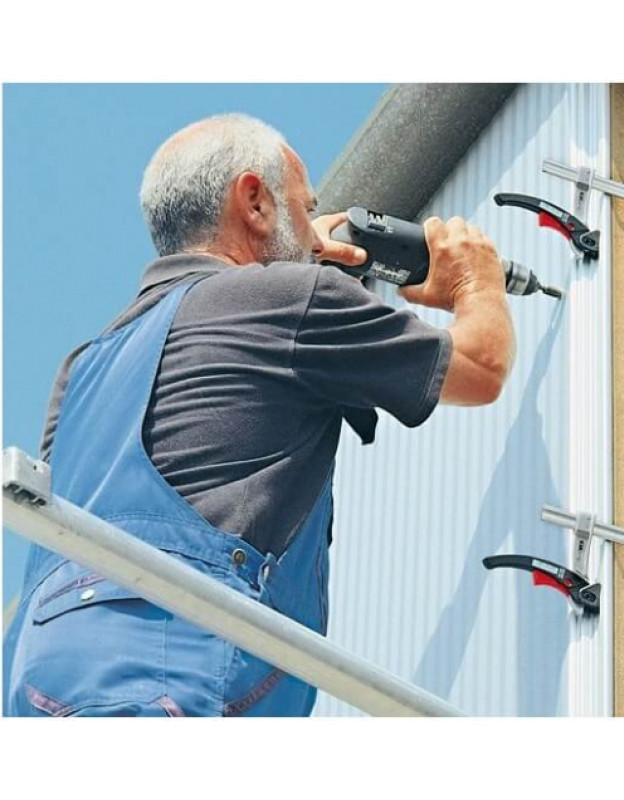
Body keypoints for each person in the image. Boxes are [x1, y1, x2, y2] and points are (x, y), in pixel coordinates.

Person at [3, 113, 515, 716]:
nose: (314, 230)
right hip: (179, 678)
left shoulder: (83, 366)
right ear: (254, 201)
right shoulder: (291, 298)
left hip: (38, 691)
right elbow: (481, 367)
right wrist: (476, 280)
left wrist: (290, 247)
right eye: (305, 206)